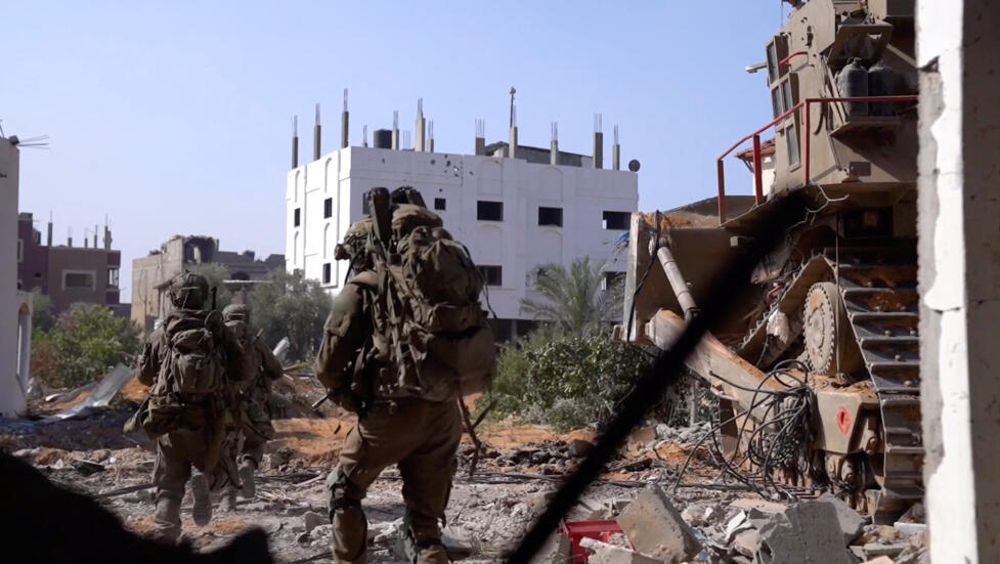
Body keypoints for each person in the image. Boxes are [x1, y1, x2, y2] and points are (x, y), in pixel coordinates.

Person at [315, 217, 463, 564]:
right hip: (444, 414)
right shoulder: (436, 284)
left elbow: (325, 367)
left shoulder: (362, 288)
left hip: (392, 415)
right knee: (425, 524)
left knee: (343, 491)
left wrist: (348, 397)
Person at [133, 272, 247, 543]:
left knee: (169, 487)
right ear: (204, 297)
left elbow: (144, 377)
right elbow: (243, 371)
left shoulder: (162, 333)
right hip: (210, 418)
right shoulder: (219, 332)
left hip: (170, 418)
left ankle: (164, 536)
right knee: (218, 470)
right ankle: (203, 481)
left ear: (173, 297)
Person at [221, 302, 284, 508]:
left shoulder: (217, 342)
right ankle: (248, 464)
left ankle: (228, 499)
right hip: (252, 404)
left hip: (225, 404)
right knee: (257, 440)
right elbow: (276, 371)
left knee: (227, 448)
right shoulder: (256, 343)